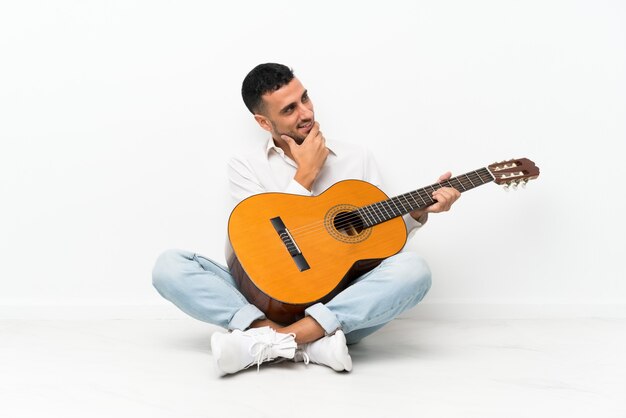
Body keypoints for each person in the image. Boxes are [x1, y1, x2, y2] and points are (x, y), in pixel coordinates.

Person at [152, 63, 460, 376]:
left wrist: (417, 213)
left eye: (305, 99)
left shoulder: (357, 157)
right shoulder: (246, 166)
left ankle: (270, 342)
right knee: (170, 266)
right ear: (263, 121)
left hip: (336, 304)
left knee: (414, 270)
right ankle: (310, 344)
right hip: (262, 299)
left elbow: (379, 245)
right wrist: (306, 174)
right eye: (289, 109)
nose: (306, 113)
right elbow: (258, 243)